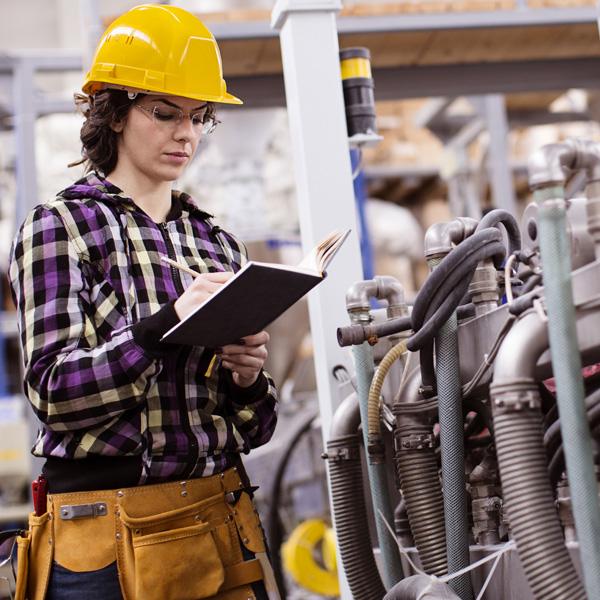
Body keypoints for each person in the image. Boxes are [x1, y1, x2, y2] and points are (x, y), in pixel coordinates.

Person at [7, 5, 278, 600]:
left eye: (201, 116)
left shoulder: (216, 245)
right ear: (114, 112)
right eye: (165, 112)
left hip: (219, 518)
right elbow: (55, 395)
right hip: (102, 538)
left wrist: (247, 380)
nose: (187, 133)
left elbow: (257, 428)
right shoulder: (59, 228)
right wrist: (165, 326)